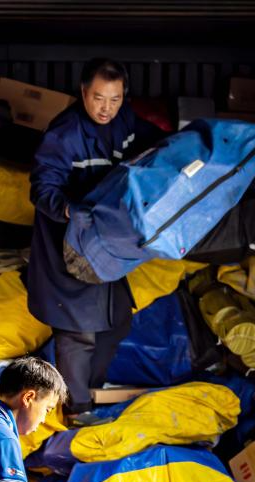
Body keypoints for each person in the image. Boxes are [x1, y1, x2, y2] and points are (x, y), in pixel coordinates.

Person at [27, 57, 163, 420]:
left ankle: (90, 391)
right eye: (99, 98)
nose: (106, 108)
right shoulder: (64, 134)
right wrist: (69, 209)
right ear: (84, 92)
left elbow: (155, 144)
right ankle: (77, 411)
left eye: (114, 99)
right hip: (68, 246)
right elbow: (42, 188)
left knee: (117, 323)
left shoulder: (125, 121)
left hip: (105, 246)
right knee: (78, 334)